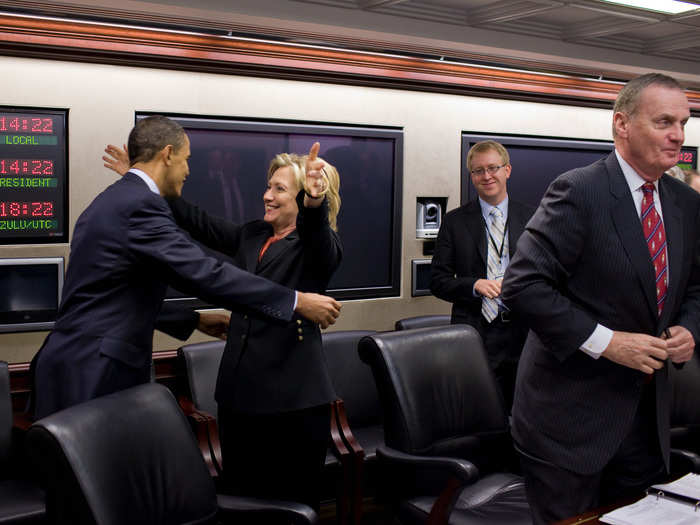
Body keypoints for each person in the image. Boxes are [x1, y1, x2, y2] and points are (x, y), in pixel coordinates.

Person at [33, 116, 341, 420]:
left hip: (291, 395)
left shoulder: (119, 200)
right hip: (98, 369)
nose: (189, 169)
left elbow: (124, 291)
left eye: (280, 189)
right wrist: (295, 301)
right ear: (168, 155)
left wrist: (315, 202)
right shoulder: (142, 205)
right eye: (186, 159)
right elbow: (203, 267)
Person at [501, 73, 700, 523]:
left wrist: (690, 328)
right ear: (622, 125)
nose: (678, 136)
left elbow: (695, 286)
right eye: (664, 121)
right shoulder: (579, 190)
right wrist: (607, 342)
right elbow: (523, 286)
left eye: (684, 123)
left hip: (647, 424)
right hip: (569, 425)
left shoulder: (685, 203)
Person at [104, 141, 342, 510]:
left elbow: (317, 234)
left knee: (290, 504)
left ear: (304, 195)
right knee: (242, 497)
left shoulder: (315, 246)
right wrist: (144, 181)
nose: (267, 195)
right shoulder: (254, 235)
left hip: (292, 402)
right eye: (268, 186)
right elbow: (197, 221)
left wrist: (315, 202)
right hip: (239, 395)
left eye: (279, 189)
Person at [430, 140, 534, 409]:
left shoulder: (534, 217)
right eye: (478, 171)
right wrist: (474, 284)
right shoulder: (454, 222)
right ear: (471, 176)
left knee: (522, 411)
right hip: (474, 332)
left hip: (522, 331)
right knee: (477, 411)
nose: (486, 176)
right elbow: (437, 281)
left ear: (507, 170)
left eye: (493, 168)